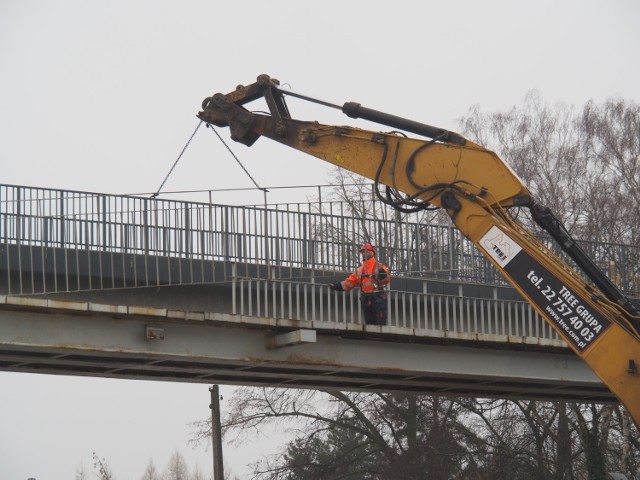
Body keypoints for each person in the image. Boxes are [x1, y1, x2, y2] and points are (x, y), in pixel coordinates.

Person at [329, 243, 390, 325]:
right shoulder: (360, 270)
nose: (363, 254)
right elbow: (349, 282)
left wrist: (381, 274)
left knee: (380, 323)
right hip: (367, 299)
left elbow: (386, 280)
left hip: (377, 297)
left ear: (372, 253)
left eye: (366, 252)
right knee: (369, 324)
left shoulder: (379, 267)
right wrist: (336, 286)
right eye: (362, 252)